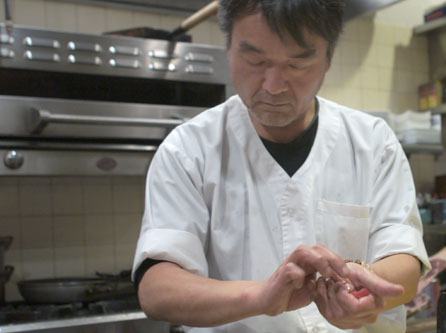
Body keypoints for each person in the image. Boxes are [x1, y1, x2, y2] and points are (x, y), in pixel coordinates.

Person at [132, 0, 430, 332]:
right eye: (255, 59)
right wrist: (261, 296)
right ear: (228, 48)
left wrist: (364, 287)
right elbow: (157, 290)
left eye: (298, 63)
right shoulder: (188, 150)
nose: (273, 86)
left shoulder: (373, 143)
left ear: (329, 57)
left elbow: (406, 263)